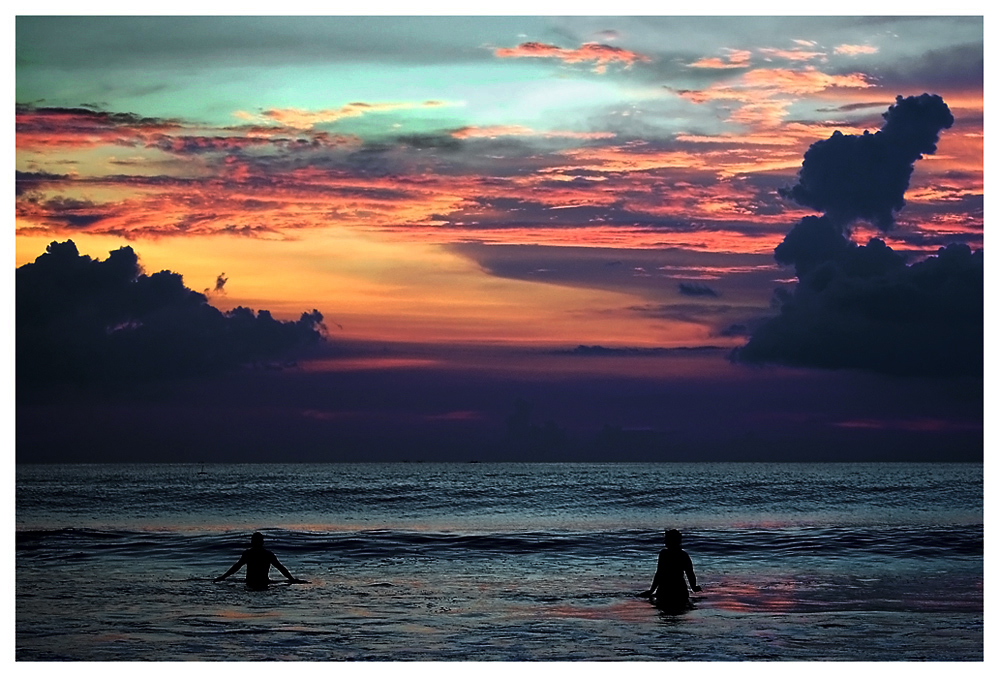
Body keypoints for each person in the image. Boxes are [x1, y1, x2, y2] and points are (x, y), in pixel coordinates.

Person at [214, 532, 305, 590]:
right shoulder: (267, 554)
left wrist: (223, 577)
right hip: (264, 583)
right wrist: (291, 579)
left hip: (250, 583)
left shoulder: (249, 553)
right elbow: (280, 568)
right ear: (262, 542)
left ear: (252, 542)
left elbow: (236, 567)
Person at [639, 529, 701, 610]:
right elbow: (690, 573)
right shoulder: (683, 555)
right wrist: (693, 587)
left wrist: (651, 590)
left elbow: (659, 573)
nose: (665, 542)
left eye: (667, 539)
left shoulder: (664, 554)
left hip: (665, 589)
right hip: (679, 590)